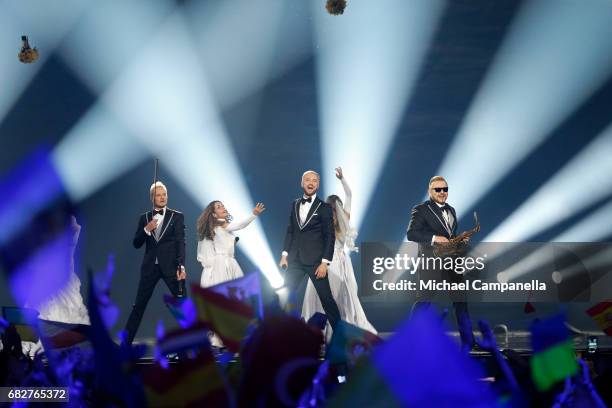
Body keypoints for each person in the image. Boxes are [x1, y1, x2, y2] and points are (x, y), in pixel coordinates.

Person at [301, 167, 376, 337]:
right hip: (331, 262)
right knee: (337, 296)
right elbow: (349, 195)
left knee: (336, 296)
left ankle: (330, 332)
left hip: (334, 261)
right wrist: (342, 179)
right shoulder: (327, 220)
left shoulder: (329, 219)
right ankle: (335, 331)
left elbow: (349, 196)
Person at [406, 175, 474, 350]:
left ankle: (469, 342)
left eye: (445, 189)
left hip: (452, 262)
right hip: (431, 262)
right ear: (430, 191)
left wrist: (459, 241)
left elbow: (449, 238)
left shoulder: (451, 210)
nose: (442, 192)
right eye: (438, 189)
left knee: (461, 301)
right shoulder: (421, 209)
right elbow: (411, 234)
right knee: (424, 301)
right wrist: (435, 238)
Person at [124, 181, 187, 345]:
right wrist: (146, 229)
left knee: (183, 306)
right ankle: (124, 346)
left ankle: (193, 346)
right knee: (138, 307)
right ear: (152, 198)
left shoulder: (176, 216)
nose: (162, 197)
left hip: (172, 268)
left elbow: (181, 242)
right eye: (158, 195)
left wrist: (181, 265)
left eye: (164, 194)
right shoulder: (144, 218)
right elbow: (136, 243)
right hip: (150, 268)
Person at [279, 170, 341, 329]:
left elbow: (329, 236)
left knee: (327, 300)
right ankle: (281, 336)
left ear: (318, 184)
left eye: (314, 180)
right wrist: (284, 254)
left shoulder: (325, 207)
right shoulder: (294, 204)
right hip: (295, 261)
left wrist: (325, 263)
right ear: (302, 182)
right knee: (284, 297)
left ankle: (342, 338)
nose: (311, 183)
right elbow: (290, 231)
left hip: (316, 262)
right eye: (307, 180)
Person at [196, 201, 265, 287]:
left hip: (225, 261)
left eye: (223, 206)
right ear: (214, 214)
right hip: (223, 264)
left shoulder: (215, 227)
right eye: (219, 207)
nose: (223, 208)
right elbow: (239, 225)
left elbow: (221, 244)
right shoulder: (220, 223)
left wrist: (232, 243)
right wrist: (253, 215)